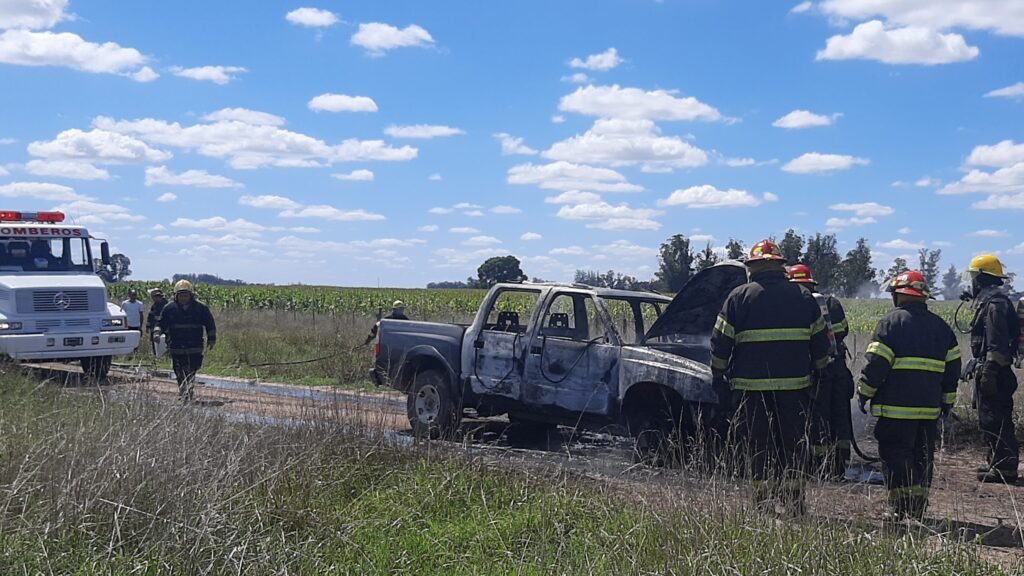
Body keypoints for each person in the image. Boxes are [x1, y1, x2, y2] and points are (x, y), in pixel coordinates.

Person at [711, 240, 831, 515]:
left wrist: (719, 376)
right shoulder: (803, 296)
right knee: (793, 444)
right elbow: (822, 345)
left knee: (758, 444)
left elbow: (720, 344)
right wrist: (820, 373)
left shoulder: (738, 297)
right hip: (795, 389)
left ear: (752, 267)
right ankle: (794, 502)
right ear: (779, 266)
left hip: (751, 391)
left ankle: (762, 503)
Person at [857, 270, 960, 521]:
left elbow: (877, 365)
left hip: (895, 409)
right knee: (922, 455)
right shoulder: (941, 327)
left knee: (895, 454)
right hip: (928, 410)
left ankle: (900, 506)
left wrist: (864, 392)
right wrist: (946, 403)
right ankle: (918, 506)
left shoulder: (891, 323)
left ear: (898, 296)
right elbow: (953, 369)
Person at [787, 263, 855, 480]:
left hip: (816, 372)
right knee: (840, 417)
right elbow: (843, 330)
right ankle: (839, 467)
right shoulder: (831, 303)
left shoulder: (796, 304)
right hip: (838, 370)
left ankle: (818, 467)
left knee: (818, 420)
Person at [964, 254, 1020, 483]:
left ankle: (1005, 469)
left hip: (995, 373)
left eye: (975, 278)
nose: (972, 282)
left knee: (994, 419)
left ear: (982, 279)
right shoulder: (993, 302)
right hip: (994, 371)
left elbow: (996, 345)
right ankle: (996, 464)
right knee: (992, 418)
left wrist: (988, 372)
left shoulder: (995, 306)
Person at [157, 280, 217, 404]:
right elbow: (161, 323)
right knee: (179, 370)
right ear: (176, 296)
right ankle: (183, 390)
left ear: (191, 295)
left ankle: (189, 389)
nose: (183, 298)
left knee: (192, 369)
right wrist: (156, 333)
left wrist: (212, 339)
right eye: (181, 295)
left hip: (194, 346)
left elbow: (210, 324)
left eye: (186, 295)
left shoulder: (200, 308)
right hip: (176, 346)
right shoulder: (169, 308)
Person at [146, 288, 168, 353]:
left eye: (156, 297)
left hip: (163, 328)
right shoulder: (154, 305)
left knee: (164, 342)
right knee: (154, 343)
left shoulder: (166, 305)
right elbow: (150, 316)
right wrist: (148, 326)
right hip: (154, 328)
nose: (154, 299)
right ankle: (156, 356)